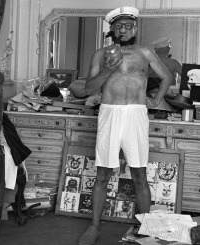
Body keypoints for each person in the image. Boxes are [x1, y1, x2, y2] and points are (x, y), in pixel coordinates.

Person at [78, 6, 172, 245]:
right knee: (102, 173)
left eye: (128, 25)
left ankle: (145, 226)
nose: (124, 29)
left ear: (135, 27)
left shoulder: (145, 53)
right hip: (110, 113)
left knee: (139, 173)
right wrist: (108, 70)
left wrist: (156, 99)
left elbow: (166, 77)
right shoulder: (101, 54)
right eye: (119, 26)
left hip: (137, 115)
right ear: (112, 29)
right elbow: (89, 88)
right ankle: (94, 227)